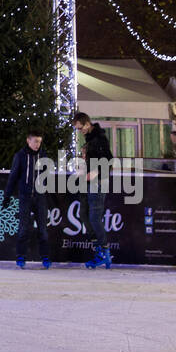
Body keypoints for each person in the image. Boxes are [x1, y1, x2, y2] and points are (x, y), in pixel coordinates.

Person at [5, 128, 52, 269]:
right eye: (35, 141)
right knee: (24, 228)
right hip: (25, 197)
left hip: (40, 198)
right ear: (28, 140)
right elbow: (13, 177)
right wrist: (6, 196)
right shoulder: (20, 156)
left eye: (40, 141)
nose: (38, 144)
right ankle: (21, 256)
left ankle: (45, 257)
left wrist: (46, 196)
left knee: (43, 230)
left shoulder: (44, 156)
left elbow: (47, 178)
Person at [73, 111, 114, 269]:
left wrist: (96, 172)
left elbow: (109, 159)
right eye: (77, 129)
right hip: (88, 181)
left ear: (87, 123)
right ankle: (99, 249)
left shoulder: (99, 137)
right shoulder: (89, 139)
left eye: (81, 127)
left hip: (98, 182)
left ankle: (104, 252)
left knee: (94, 217)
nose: (80, 131)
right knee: (84, 214)